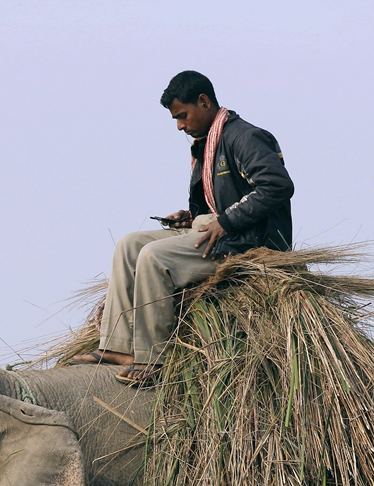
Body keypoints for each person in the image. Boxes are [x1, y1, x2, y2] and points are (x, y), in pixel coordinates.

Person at [71, 71, 294, 386]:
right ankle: (118, 347)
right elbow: (222, 200)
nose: (179, 125)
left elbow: (277, 186)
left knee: (153, 257)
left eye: (182, 116)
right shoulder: (206, 145)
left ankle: (151, 359)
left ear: (204, 102)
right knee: (128, 245)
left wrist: (226, 222)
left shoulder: (244, 137)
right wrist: (192, 216)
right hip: (220, 229)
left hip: (247, 242)